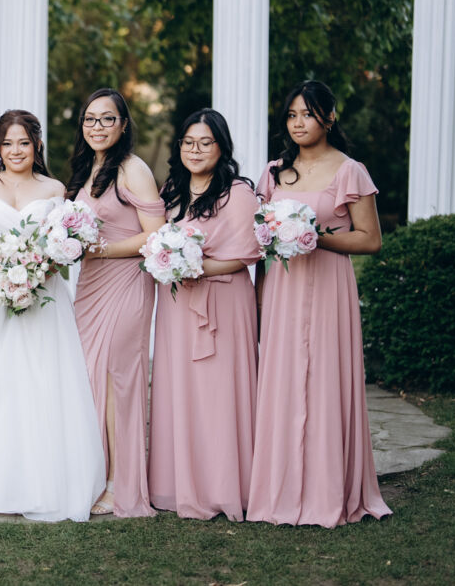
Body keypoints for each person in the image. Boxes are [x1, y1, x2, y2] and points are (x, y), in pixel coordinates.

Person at [247, 80, 391, 527]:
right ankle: (280, 491)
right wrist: (257, 299)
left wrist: (315, 237)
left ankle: (327, 491)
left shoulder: (350, 171)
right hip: (282, 288)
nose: (298, 123)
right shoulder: (273, 173)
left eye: (307, 114)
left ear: (329, 118)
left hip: (329, 287)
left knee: (326, 380)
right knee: (283, 381)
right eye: (292, 115)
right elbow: (261, 239)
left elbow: (370, 240)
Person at [0, 111, 105, 521]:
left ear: (37, 144)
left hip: (43, 296)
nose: (15, 151)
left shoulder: (54, 189)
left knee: (43, 380)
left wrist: (38, 269)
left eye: (23, 143)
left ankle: (44, 480)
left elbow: (63, 242)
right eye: (7, 144)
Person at [147, 109, 260, 521]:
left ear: (221, 147)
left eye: (205, 143)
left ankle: (227, 487)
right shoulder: (171, 191)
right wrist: (170, 262)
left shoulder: (238, 193)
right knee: (180, 389)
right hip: (178, 305)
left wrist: (191, 266)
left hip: (224, 303)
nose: (195, 150)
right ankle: (178, 485)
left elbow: (246, 254)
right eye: (188, 143)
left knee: (220, 393)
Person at [66, 88, 164, 518]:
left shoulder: (133, 169)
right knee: (89, 376)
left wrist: (99, 249)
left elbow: (155, 235)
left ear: (123, 125)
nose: (98, 126)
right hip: (90, 285)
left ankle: (120, 484)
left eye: (108, 119)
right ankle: (94, 472)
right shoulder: (87, 168)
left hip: (126, 283)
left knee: (116, 380)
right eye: (91, 119)